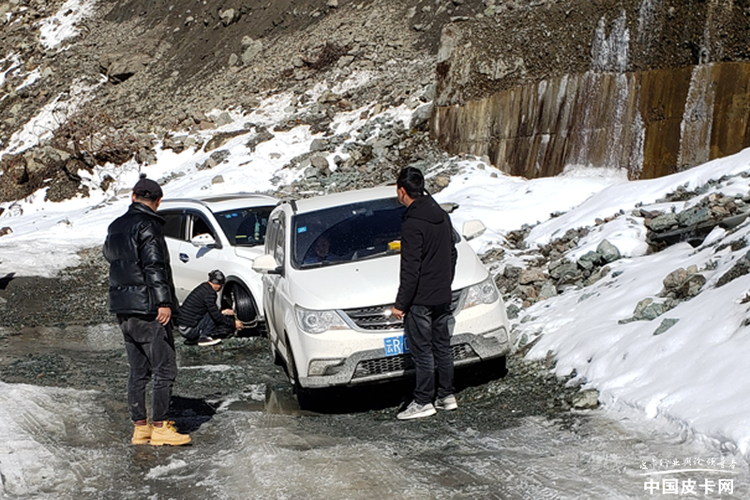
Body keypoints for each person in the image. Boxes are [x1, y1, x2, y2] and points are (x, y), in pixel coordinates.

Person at [103, 174, 191, 446]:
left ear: (132, 197)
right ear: (158, 202)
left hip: (124, 309)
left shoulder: (116, 226)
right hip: (149, 309)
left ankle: (140, 429)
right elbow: (155, 267)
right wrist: (164, 303)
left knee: (137, 371)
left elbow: (111, 258)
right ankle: (161, 427)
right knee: (164, 370)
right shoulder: (148, 226)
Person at [391, 167, 458, 420]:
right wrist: (445, 283)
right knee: (442, 346)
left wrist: (401, 304)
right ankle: (446, 395)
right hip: (442, 294)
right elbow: (452, 253)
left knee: (422, 352)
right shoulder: (441, 215)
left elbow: (411, 267)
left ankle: (422, 401)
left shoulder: (412, 222)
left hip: (420, 298)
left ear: (402, 191)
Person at [177, 270, 243, 347]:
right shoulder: (210, 294)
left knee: (212, 312)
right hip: (189, 331)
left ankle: (195, 338)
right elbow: (216, 316)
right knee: (213, 315)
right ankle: (204, 337)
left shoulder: (203, 288)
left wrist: (223, 312)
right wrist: (233, 323)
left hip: (183, 328)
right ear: (218, 284)